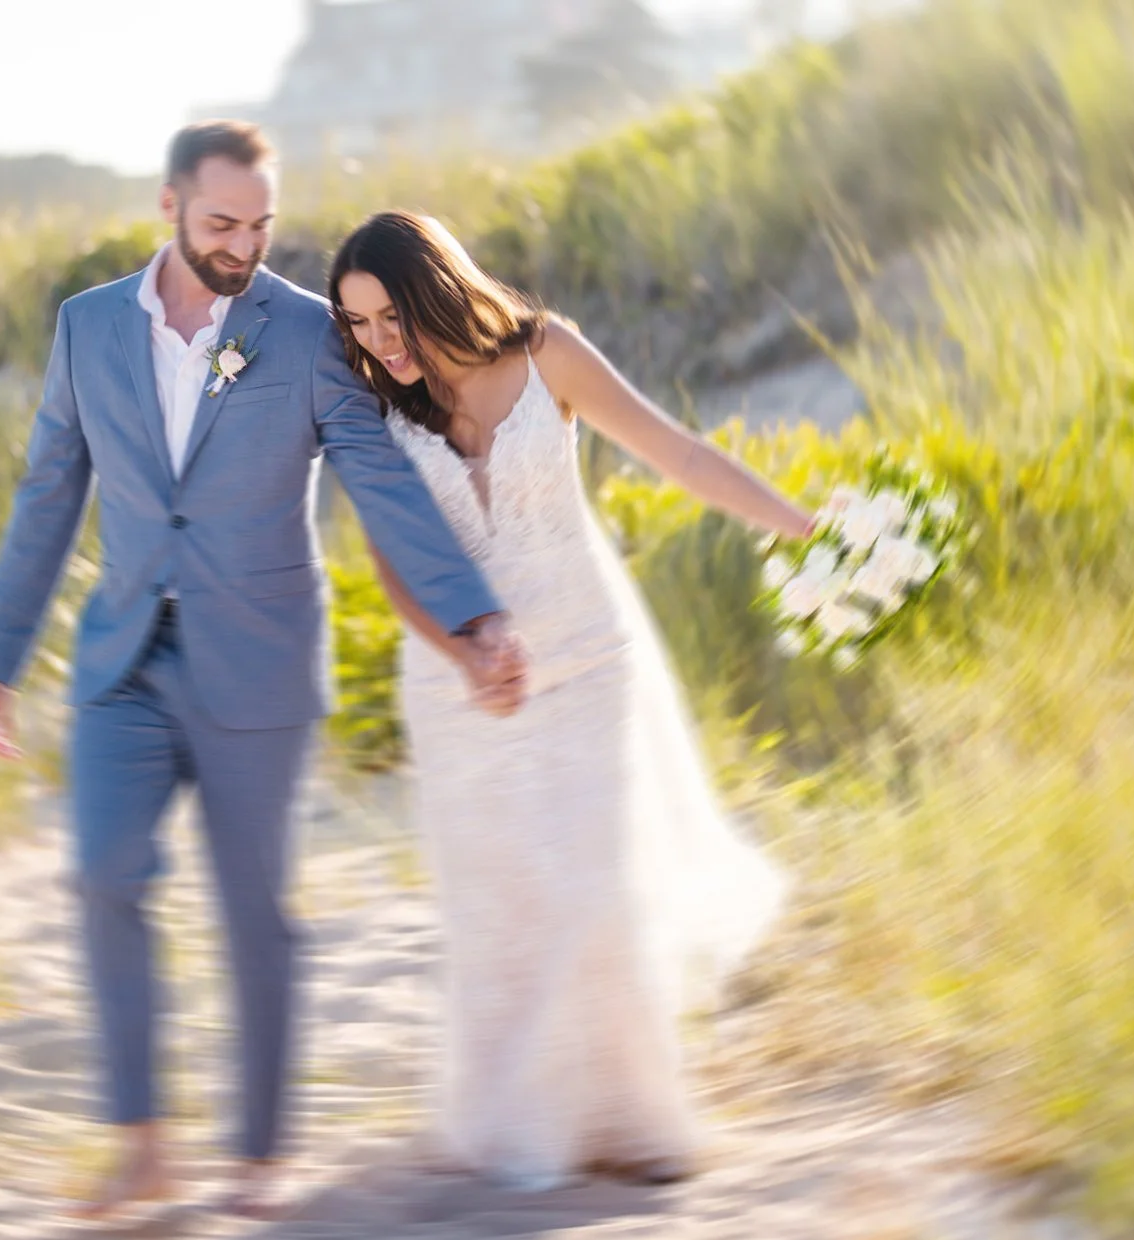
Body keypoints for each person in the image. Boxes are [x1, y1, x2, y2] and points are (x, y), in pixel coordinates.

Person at [0, 125, 524, 1220]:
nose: (243, 244)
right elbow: (46, 499)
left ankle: (260, 1151)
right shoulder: (85, 330)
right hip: (125, 656)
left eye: (260, 225)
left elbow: (381, 483)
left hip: (258, 658)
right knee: (103, 877)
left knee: (252, 908)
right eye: (222, 223)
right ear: (168, 202)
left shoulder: (312, 336)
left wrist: (475, 614)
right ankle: (142, 1145)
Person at [330, 210, 808, 1188]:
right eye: (358, 326)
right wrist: (464, 656)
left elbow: (679, 454)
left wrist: (800, 524)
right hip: (463, 690)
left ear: (440, 289)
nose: (380, 343)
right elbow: (393, 572)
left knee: (596, 893)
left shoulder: (549, 356)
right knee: (504, 906)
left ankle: (627, 1117)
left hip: (587, 666)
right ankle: (518, 1121)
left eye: (392, 318)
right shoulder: (373, 413)